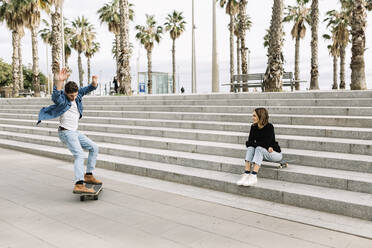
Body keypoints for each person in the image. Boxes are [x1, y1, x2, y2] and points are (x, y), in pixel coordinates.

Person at [37, 68, 102, 194]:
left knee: (94, 147)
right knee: (79, 155)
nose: (73, 98)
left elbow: (88, 89)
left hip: (74, 132)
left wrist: (94, 84)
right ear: (66, 93)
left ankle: (88, 175)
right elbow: (55, 95)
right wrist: (60, 81)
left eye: (75, 95)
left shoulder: (77, 95)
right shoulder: (62, 100)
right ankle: (79, 184)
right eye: (71, 95)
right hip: (66, 132)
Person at [237, 107, 282, 186]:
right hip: (262, 151)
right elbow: (248, 143)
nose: (252, 118)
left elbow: (265, 143)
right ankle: (246, 173)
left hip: (274, 153)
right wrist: (258, 144)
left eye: (254, 116)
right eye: (252, 116)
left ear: (260, 116)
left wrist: (258, 144)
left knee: (258, 148)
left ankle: (253, 176)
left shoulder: (269, 127)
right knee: (252, 148)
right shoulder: (253, 127)